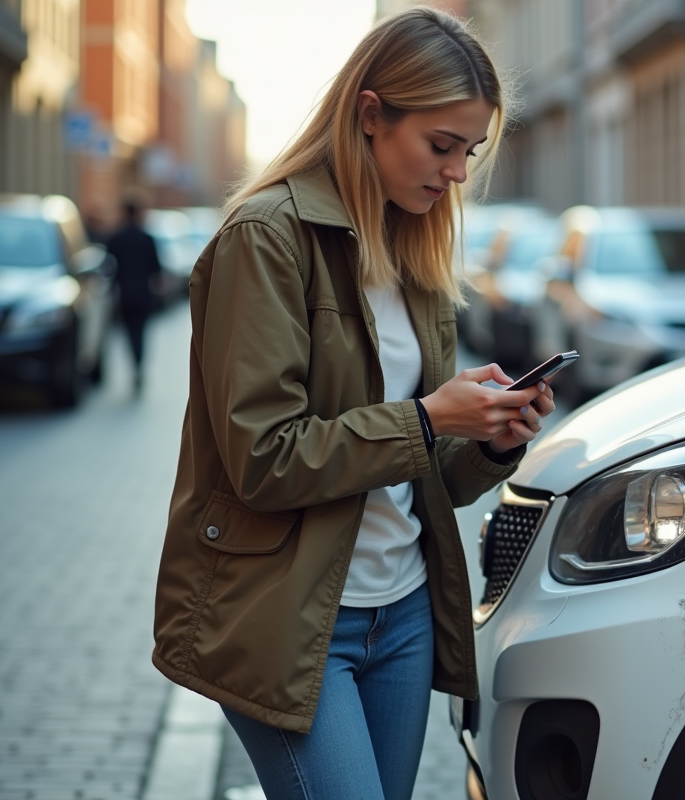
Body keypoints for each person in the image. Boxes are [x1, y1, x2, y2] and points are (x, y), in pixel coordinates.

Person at [151, 8, 555, 800]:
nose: (457, 173)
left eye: (468, 151)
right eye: (441, 146)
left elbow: (421, 471)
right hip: (292, 619)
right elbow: (263, 460)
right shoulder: (266, 237)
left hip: (401, 611)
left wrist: (490, 439)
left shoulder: (416, 250)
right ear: (370, 115)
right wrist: (432, 415)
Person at [104, 198, 162, 393]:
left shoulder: (116, 238)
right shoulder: (147, 238)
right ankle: (139, 366)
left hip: (124, 294)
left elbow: (108, 268)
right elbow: (156, 269)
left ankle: (134, 365)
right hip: (144, 294)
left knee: (129, 333)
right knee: (141, 332)